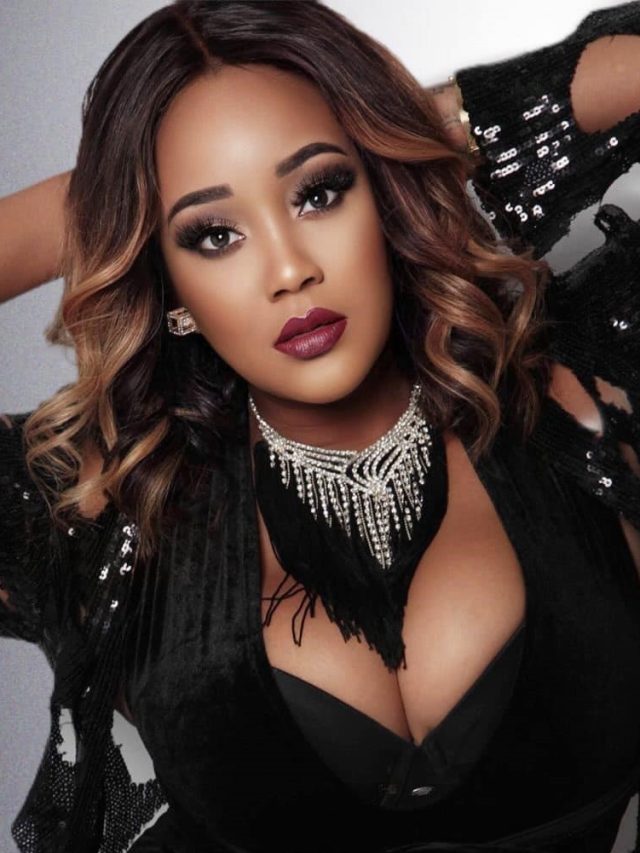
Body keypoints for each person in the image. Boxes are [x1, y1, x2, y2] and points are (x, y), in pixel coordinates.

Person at [1, 1, 639, 851]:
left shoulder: (587, 395)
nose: (289, 269)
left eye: (320, 190)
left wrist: (408, 128)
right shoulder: (96, 507)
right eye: (213, 234)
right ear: (167, 278)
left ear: (384, 195)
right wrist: (112, 198)